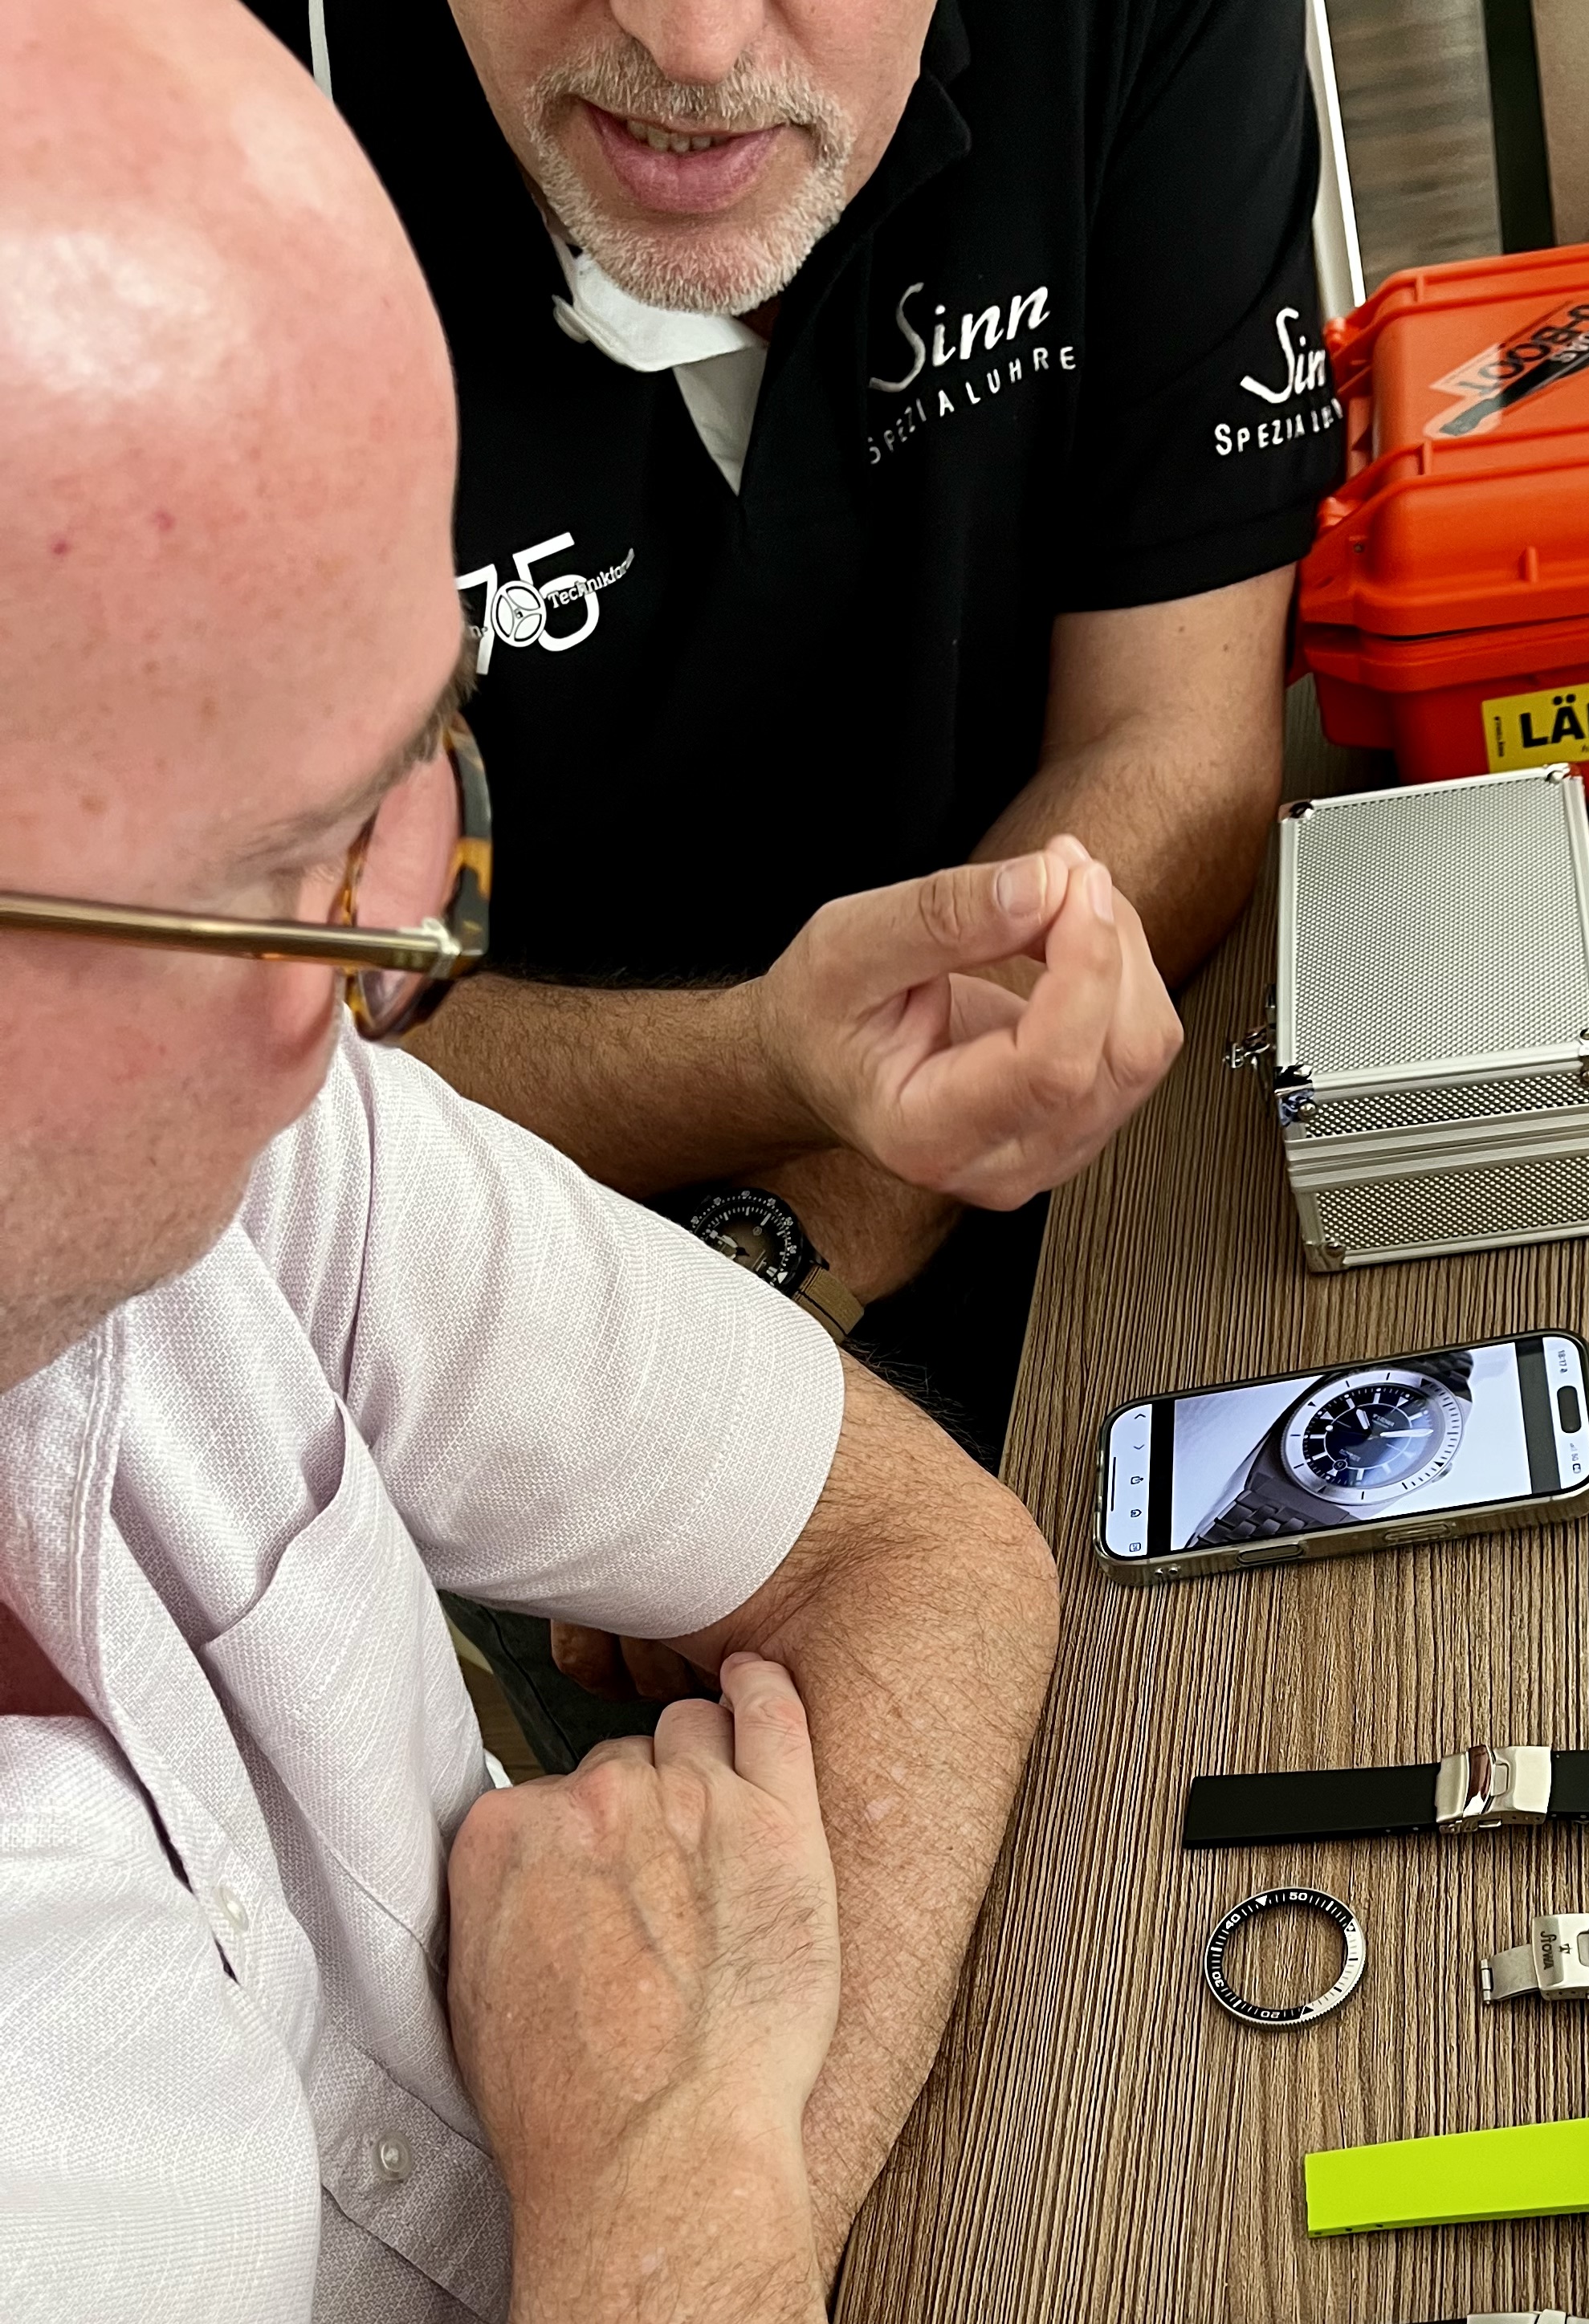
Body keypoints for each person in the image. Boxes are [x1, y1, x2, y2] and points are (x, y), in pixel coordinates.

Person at [0, 2, 1074, 2324]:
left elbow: (918, 1557)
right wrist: (662, 2196)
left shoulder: (214, 1146)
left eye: (417, 761)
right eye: (285, 869)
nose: (405, 950)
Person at [247, 0, 1343, 1458]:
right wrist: (767, 1075)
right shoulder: (135, 146)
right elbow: (200, 1029)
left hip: (1070, 1210)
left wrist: (808, 1229)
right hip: (427, 1331)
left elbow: (1175, 740)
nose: (692, 50)